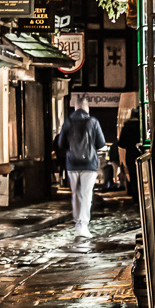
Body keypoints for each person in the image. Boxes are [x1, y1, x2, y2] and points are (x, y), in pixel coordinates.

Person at [58, 96, 106, 238]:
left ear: (75, 107)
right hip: (89, 164)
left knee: (76, 194)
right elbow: (101, 143)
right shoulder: (93, 122)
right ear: (86, 107)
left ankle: (77, 222)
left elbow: (61, 143)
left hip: (72, 163)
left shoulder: (68, 122)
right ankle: (83, 225)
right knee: (86, 194)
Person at [118, 107, 142, 204]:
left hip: (131, 154)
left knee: (133, 176)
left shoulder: (127, 126)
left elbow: (121, 143)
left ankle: (136, 197)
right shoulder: (142, 126)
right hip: (141, 153)